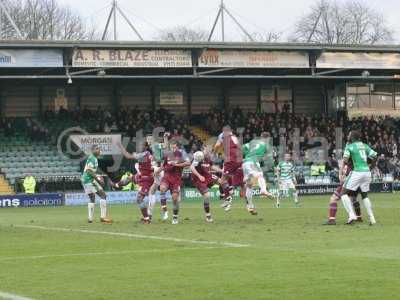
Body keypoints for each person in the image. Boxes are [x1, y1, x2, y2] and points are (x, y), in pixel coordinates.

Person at [340, 130, 377, 225]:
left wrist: (341, 173)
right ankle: (372, 219)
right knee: (364, 195)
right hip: (367, 172)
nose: (347, 136)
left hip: (357, 172)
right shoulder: (365, 145)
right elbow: (375, 156)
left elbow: (345, 160)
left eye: (349, 135)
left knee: (343, 193)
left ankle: (352, 215)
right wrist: (371, 166)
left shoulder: (350, 146)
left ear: (352, 137)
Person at [116, 141, 154, 224]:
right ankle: (116, 185)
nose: (140, 146)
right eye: (139, 145)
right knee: (129, 178)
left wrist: (120, 146)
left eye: (142, 145)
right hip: (142, 175)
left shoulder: (143, 155)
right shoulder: (146, 154)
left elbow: (128, 156)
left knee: (139, 199)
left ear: (146, 147)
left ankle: (147, 218)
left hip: (146, 179)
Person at [213, 125, 244, 212]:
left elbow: (217, 145)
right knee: (230, 177)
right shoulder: (234, 137)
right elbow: (240, 148)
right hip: (239, 159)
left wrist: (214, 153)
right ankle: (234, 192)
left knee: (222, 181)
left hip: (231, 160)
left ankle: (228, 198)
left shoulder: (223, 135)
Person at [242, 133, 274, 215]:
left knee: (249, 185)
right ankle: (263, 190)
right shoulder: (267, 145)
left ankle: (250, 206)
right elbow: (270, 160)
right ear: (268, 138)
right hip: (253, 162)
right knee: (260, 175)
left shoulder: (253, 141)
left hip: (245, 163)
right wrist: (273, 167)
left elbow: (243, 148)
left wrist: (247, 155)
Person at [159, 141, 190, 225]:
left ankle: (175, 217)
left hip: (176, 180)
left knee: (175, 199)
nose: (173, 148)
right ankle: (165, 211)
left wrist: (176, 165)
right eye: (172, 147)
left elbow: (188, 163)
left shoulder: (181, 154)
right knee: (162, 189)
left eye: (174, 147)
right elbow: (163, 165)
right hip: (167, 177)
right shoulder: (168, 154)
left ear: (178, 147)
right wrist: (157, 171)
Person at [81, 145, 112, 224]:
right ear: (92, 150)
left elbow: (93, 170)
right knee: (103, 195)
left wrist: (100, 175)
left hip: (86, 180)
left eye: (99, 149)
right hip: (89, 180)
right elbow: (89, 171)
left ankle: (90, 219)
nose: (98, 150)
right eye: (96, 149)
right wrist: (98, 179)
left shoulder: (93, 158)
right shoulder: (92, 158)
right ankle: (103, 217)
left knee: (93, 197)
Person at [190, 146, 222, 222]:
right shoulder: (198, 157)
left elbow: (212, 166)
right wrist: (199, 176)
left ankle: (225, 199)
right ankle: (208, 215)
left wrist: (221, 171)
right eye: (207, 149)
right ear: (203, 150)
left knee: (222, 182)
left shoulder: (207, 159)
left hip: (207, 176)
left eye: (209, 149)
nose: (208, 151)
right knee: (207, 196)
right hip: (199, 179)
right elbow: (191, 167)